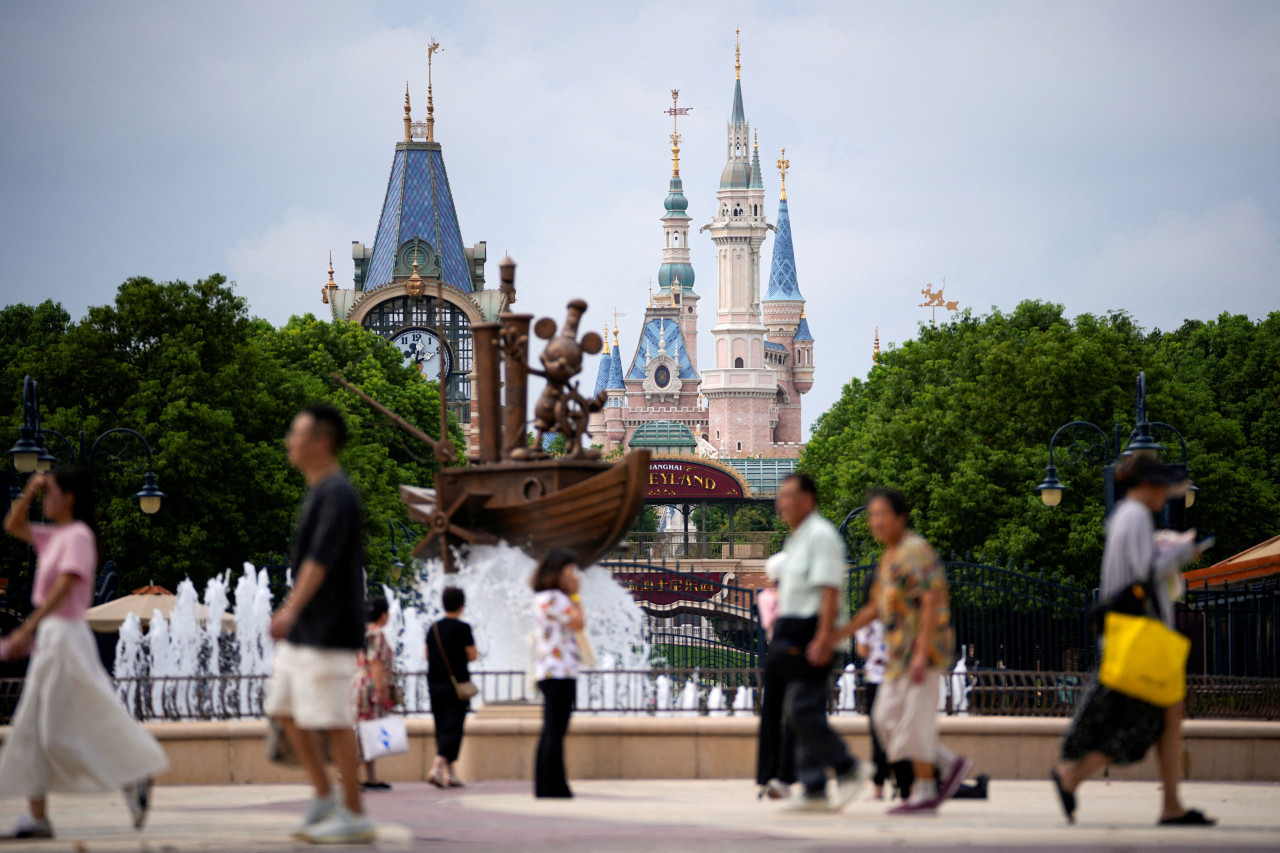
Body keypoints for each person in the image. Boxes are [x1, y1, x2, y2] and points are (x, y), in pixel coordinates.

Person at [0, 467, 169, 840]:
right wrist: (31, 489)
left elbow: (66, 584)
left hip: (65, 636)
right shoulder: (55, 536)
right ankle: (39, 815)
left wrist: (27, 628)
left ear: (70, 497)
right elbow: (12, 524)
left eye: (51, 494)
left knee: (66, 723)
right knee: (35, 726)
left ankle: (132, 774)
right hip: (53, 638)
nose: (47, 501)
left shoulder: (77, 535)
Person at [1051, 455, 1215, 826]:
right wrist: (1183, 553)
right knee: (1146, 721)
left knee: (1165, 715)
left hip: (1130, 632)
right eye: (1160, 487)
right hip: (1145, 634)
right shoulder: (1137, 516)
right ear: (1147, 485)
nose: (1164, 495)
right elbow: (1146, 573)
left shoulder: (1124, 515)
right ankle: (1073, 777)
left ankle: (1170, 803)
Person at [266, 403, 375, 844]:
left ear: (321, 442)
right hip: (306, 631)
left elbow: (321, 560)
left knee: (332, 719)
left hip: (329, 630)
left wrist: (290, 608)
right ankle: (326, 796)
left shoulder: (337, 493)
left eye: (297, 434)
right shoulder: (318, 490)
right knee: (284, 710)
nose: (290, 442)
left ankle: (354, 812)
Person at [841, 488, 974, 815]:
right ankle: (950, 763)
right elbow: (876, 606)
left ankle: (926, 793)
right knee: (885, 719)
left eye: (882, 514)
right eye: (872, 514)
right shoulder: (889, 557)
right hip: (899, 655)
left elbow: (930, 600)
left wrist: (920, 652)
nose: (876, 521)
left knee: (912, 722)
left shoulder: (915, 551)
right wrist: (839, 632)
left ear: (901, 517)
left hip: (923, 653)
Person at [771, 472, 870, 812]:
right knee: (800, 710)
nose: (781, 503)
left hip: (815, 634)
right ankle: (813, 788)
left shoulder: (821, 536)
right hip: (797, 632)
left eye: (788, 496)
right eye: (780, 496)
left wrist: (824, 637)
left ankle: (848, 768)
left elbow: (830, 590)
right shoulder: (796, 539)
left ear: (808, 499)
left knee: (800, 709)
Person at [530, 549, 584, 798]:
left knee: (551, 730)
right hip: (559, 672)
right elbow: (579, 623)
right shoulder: (556, 598)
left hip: (549, 671)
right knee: (555, 730)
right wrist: (575, 594)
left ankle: (547, 785)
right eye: (570, 571)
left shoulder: (543, 597)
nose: (573, 576)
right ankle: (553, 786)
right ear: (558, 573)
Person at [426, 585, 477, 788]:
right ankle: (436, 766)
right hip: (456, 686)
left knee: (442, 727)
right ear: (462, 605)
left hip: (434, 684)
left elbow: (426, 655)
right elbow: (472, 655)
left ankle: (451, 774)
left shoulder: (434, 628)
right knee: (454, 726)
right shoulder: (463, 628)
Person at [755, 551, 796, 800]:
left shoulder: (766, 597)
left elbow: (768, 621)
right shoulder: (796, 598)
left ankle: (769, 775)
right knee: (791, 716)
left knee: (771, 716)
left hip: (777, 656)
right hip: (793, 657)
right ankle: (785, 775)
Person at [852, 574, 893, 800]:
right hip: (897, 680)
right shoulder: (899, 615)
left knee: (878, 735)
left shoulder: (866, 617)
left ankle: (878, 789)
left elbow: (863, 651)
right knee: (899, 734)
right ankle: (909, 786)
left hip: (876, 681)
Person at [353, 596, 396, 791]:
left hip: (360, 685)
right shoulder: (377, 634)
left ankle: (371, 777)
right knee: (365, 734)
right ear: (383, 615)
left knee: (369, 733)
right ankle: (349, 775)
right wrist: (380, 691)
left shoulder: (362, 632)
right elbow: (375, 662)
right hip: (370, 687)